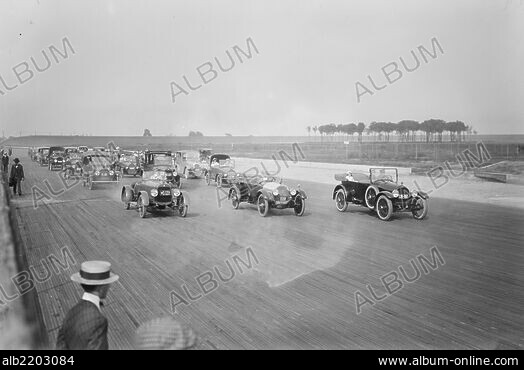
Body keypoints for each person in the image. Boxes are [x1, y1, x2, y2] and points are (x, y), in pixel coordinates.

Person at [56, 261, 119, 350]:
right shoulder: (99, 321)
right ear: (101, 287)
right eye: (108, 283)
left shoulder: (71, 313)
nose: (109, 287)